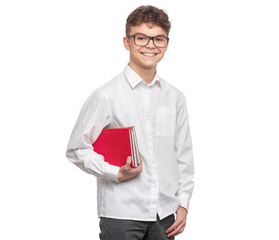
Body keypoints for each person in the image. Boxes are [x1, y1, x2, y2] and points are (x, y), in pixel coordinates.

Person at [66, 5, 194, 240]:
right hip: (121, 213)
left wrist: (183, 202)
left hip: (165, 214)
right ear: (127, 42)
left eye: (158, 39)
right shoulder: (106, 95)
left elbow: (183, 155)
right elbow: (76, 149)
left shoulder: (175, 97)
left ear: (166, 43)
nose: (150, 45)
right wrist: (115, 172)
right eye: (141, 37)